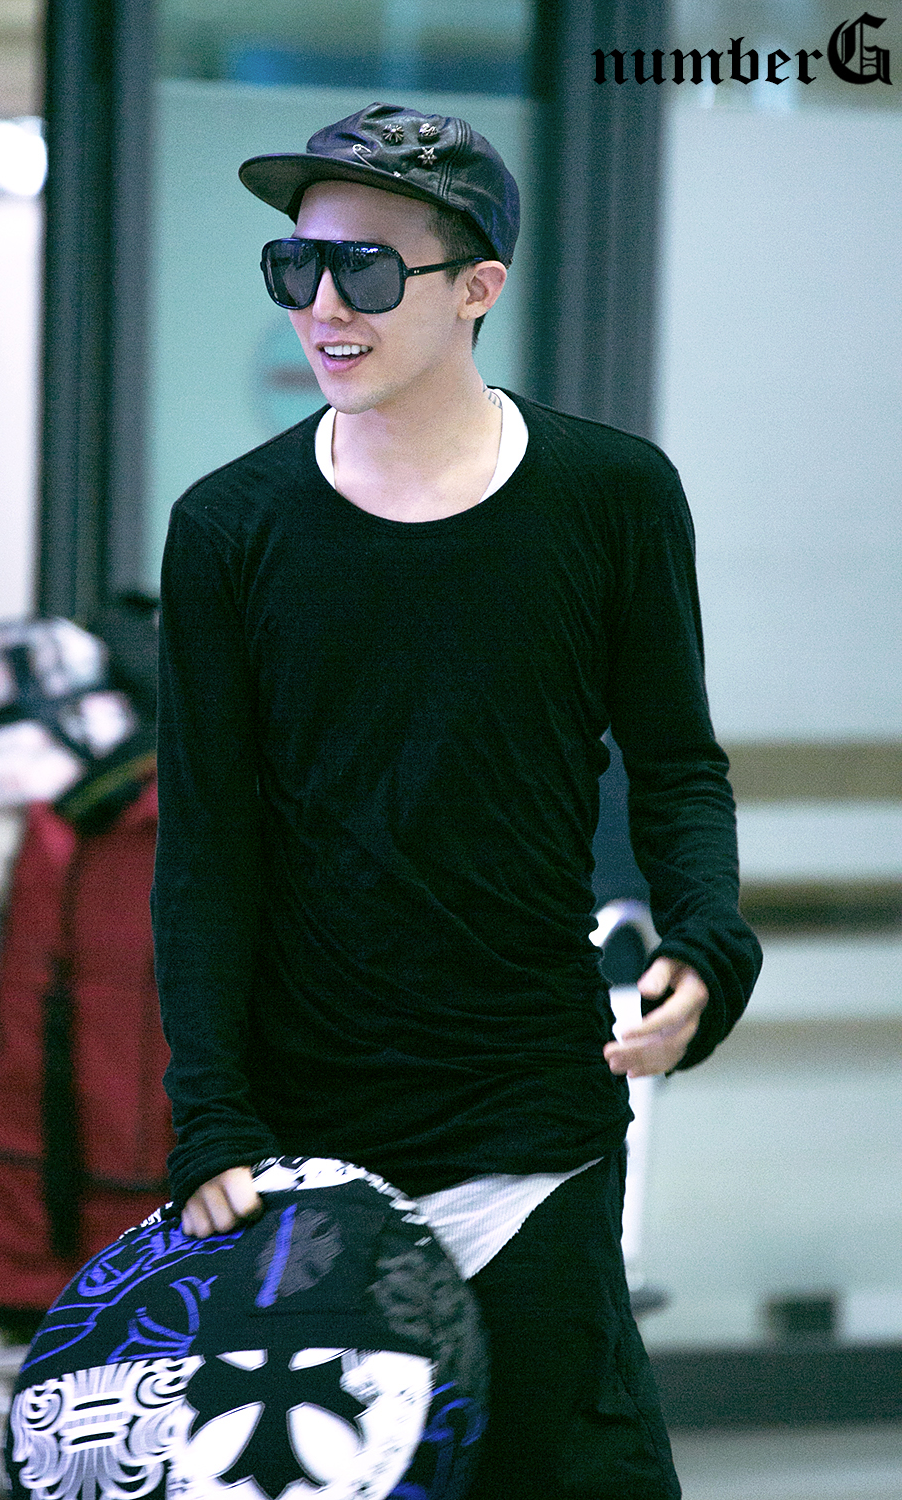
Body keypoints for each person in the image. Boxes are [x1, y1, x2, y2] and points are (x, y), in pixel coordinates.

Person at [152, 102, 763, 1499]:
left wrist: (707, 941)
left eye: (366, 269)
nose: (323, 306)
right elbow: (209, 855)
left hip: (531, 1121)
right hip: (305, 1150)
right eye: (296, 266)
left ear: (477, 286)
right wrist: (212, 1116)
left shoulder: (609, 497)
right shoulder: (228, 529)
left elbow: (677, 764)